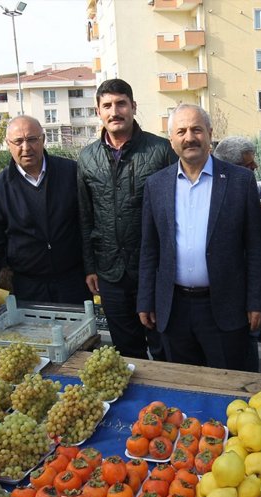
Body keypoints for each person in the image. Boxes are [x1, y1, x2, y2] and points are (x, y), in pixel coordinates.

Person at [137, 105, 261, 370]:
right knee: (184, 387)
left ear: (209, 134)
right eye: (181, 131)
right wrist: (146, 300)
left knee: (230, 388)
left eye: (197, 129)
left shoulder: (240, 181)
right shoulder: (156, 184)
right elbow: (150, 249)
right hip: (174, 309)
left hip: (225, 307)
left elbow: (256, 248)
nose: (190, 137)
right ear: (172, 140)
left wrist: (257, 301)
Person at [78, 79, 177, 360]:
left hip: (154, 270)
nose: (115, 111)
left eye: (121, 103)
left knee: (164, 347)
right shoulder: (87, 158)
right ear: (98, 111)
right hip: (110, 272)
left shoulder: (161, 151)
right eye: (107, 105)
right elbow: (85, 216)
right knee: (127, 351)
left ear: (133, 106)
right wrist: (90, 266)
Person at [0, 116, 90, 319]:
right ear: (8, 144)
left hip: (73, 282)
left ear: (43, 139)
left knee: (81, 341)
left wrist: (93, 269)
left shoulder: (71, 172)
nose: (26, 147)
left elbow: (88, 223)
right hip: (28, 287)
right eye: (18, 141)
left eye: (32, 139)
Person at [212, 135, 261, 371]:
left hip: (244, 301)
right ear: (231, 165)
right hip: (218, 301)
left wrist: (256, 300)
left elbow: (256, 249)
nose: (255, 167)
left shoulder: (245, 188)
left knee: (243, 363)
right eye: (249, 164)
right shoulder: (213, 193)